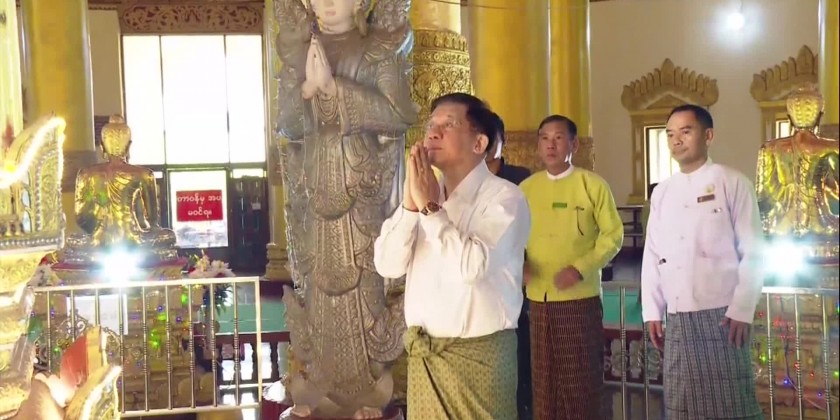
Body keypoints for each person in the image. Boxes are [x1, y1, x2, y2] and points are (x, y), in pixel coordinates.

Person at [373, 92, 531, 419]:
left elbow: (472, 268)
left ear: (479, 143)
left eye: (448, 125)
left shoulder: (505, 198)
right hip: (426, 358)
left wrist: (431, 210)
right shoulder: (424, 196)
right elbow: (387, 265)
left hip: (479, 359)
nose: (433, 132)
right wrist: (411, 208)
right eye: (431, 125)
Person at [641, 104, 764, 419]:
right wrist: (652, 311)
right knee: (681, 403)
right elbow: (653, 254)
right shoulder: (662, 192)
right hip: (678, 314)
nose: (676, 140)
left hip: (723, 315)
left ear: (708, 136)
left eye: (686, 131)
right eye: (670, 134)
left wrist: (742, 309)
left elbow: (753, 251)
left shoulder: (732, 182)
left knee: (731, 403)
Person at [520, 115, 624, 420]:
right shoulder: (526, 189)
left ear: (574, 145)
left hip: (579, 299)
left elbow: (613, 236)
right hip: (539, 299)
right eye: (544, 138)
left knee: (581, 383)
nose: (550, 145)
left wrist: (579, 269)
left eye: (558, 138)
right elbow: (509, 237)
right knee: (544, 384)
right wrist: (518, 265)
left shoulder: (592, 185)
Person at [486, 110, 534, 420]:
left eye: (493, 140)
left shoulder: (519, 178)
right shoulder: (459, 182)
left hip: (517, 280)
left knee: (520, 352)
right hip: (483, 282)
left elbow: (530, 229)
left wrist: (525, 266)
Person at [487, 111, 532, 185]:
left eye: (492, 138)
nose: (486, 145)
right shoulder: (468, 178)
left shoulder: (521, 176)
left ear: (503, 140)